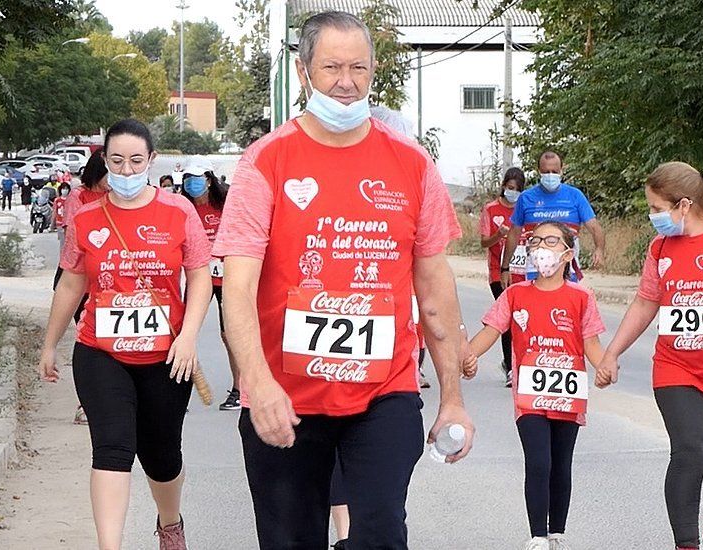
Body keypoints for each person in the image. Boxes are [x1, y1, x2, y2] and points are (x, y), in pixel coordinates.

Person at [212, 12, 474, 549]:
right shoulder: (265, 162)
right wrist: (254, 384)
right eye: (332, 67)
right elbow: (236, 289)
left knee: (379, 534)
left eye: (359, 68)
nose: (347, 82)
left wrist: (453, 398)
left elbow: (435, 291)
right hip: (286, 396)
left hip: (384, 391)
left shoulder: (412, 164)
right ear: (304, 70)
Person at [38, 118, 213, 550]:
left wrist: (188, 336)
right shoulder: (87, 216)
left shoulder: (178, 211)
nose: (128, 170)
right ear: (105, 162)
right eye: (117, 160)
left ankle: (170, 522)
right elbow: (72, 282)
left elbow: (200, 276)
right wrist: (49, 344)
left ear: (152, 160)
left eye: (137, 161)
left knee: (162, 456)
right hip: (101, 352)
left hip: (166, 356)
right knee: (112, 449)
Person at [596, 162, 703, 550]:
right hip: (676, 365)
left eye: (656, 208)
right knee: (690, 451)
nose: (652, 216)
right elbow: (645, 303)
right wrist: (612, 352)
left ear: (684, 205)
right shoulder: (660, 248)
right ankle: (685, 543)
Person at [462, 221, 606, 550]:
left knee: (560, 463)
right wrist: (466, 355)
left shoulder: (581, 297)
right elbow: (490, 331)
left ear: (568, 253)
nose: (541, 247)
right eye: (536, 240)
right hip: (529, 397)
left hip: (568, 396)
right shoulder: (515, 295)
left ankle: (558, 533)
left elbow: (592, 344)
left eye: (550, 241)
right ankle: (538, 536)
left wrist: (605, 366)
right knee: (539, 461)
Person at [179, 157, 240, 410]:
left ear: (209, 179)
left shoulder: (227, 203)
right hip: (200, 276)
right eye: (189, 180)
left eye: (198, 178)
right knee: (182, 329)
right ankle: (177, 388)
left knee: (230, 334)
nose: (194, 184)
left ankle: (239, 388)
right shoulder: (185, 207)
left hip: (228, 277)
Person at [54, 150, 110, 425]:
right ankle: (86, 402)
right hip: (81, 276)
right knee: (87, 340)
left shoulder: (119, 196)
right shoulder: (80, 196)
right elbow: (76, 234)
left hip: (108, 278)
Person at [501, 151, 605, 287]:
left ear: (561, 170)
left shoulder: (575, 196)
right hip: (535, 270)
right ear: (539, 171)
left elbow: (595, 227)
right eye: (546, 171)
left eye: (554, 171)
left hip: (568, 270)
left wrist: (599, 250)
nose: (550, 175)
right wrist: (505, 267)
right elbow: (514, 234)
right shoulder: (526, 198)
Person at [480, 167, 526, 387]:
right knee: (508, 318)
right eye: (509, 188)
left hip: (523, 271)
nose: (512, 193)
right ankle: (510, 368)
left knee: (522, 320)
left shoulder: (524, 208)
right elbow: (484, 242)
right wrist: (497, 235)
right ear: (503, 186)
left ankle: (518, 362)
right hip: (499, 273)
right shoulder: (491, 209)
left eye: (517, 190)